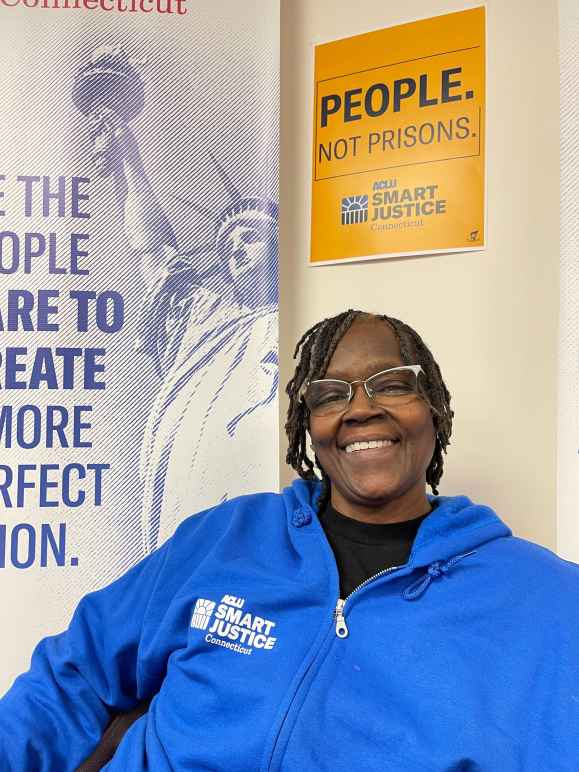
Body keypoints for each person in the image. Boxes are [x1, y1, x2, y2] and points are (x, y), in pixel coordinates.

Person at [0, 309, 577, 771]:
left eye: (391, 385)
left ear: (436, 410)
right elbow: (72, 675)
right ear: (309, 427)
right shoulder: (225, 538)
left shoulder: (547, 602)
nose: (360, 409)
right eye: (330, 394)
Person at [87, 83, 279, 553]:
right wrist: (127, 155)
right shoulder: (206, 319)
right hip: (189, 498)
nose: (235, 247)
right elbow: (155, 251)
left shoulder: (306, 329)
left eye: (251, 235)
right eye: (228, 240)